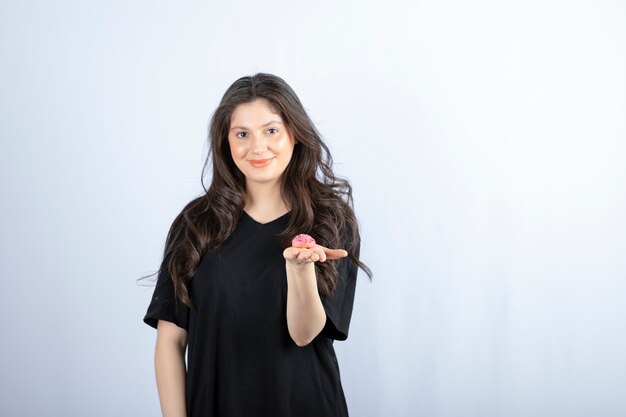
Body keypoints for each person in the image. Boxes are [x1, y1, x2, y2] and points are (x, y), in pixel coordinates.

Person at [141, 72, 372, 417]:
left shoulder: (329, 220)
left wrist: (299, 269)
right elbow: (170, 341)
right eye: (242, 134)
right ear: (225, 141)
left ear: (295, 134)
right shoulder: (196, 225)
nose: (257, 147)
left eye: (271, 130)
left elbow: (303, 334)